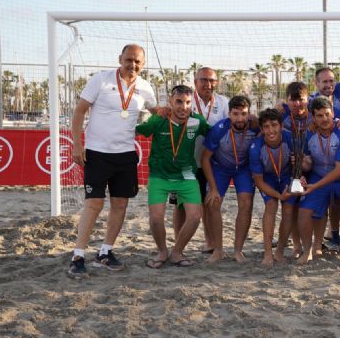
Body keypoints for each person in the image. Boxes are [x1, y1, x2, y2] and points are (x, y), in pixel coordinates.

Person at [69, 44, 157, 277]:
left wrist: (173, 111)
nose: (132, 65)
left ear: (143, 64)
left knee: (120, 204)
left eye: (137, 61)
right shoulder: (100, 80)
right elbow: (79, 112)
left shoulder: (146, 88)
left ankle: (105, 251)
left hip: (126, 155)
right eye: (129, 59)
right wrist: (77, 144)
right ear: (120, 59)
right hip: (97, 153)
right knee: (94, 204)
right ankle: (78, 255)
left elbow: (156, 111)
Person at [136, 85, 211, 268]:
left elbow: (216, 134)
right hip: (159, 175)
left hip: (186, 175)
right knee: (156, 218)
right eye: (178, 102)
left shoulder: (197, 121)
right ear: (170, 102)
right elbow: (136, 130)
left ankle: (177, 252)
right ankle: (162, 251)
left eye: (187, 103)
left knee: (194, 217)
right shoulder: (159, 119)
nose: (183, 107)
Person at [296, 96, 340, 264]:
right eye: (319, 116)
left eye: (327, 114)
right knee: (304, 211)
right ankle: (308, 251)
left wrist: (314, 186)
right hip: (319, 175)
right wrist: (303, 167)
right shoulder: (309, 133)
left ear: (333, 113)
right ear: (313, 117)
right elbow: (306, 162)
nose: (324, 119)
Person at [171, 67, 229, 253]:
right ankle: (179, 244)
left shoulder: (223, 102)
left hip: (211, 162)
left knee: (209, 202)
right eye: (203, 79)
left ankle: (210, 242)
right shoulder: (186, 100)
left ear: (217, 82)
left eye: (212, 80)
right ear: (195, 82)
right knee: (180, 205)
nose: (208, 84)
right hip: (185, 162)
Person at [202, 95, 258, 263]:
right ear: (229, 114)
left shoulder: (255, 127)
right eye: (235, 114)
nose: (240, 118)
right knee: (213, 202)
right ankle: (218, 250)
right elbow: (205, 159)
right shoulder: (219, 129)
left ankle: (238, 250)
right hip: (220, 168)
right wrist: (212, 188)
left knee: (246, 204)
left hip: (244, 169)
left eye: (243, 114)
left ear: (249, 114)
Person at [249, 108, 296, 267]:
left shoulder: (290, 138)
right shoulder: (256, 147)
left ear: (281, 126)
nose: (271, 130)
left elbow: (299, 167)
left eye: (274, 125)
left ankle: (280, 251)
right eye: (266, 126)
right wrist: (277, 194)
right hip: (268, 178)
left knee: (288, 208)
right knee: (271, 205)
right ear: (261, 130)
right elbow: (259, 181)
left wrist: (289, 187)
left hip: (286, 176)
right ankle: (268, 253)